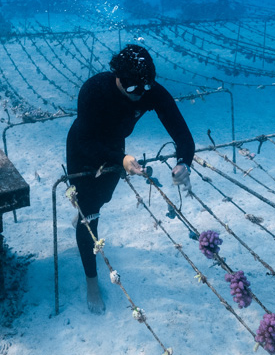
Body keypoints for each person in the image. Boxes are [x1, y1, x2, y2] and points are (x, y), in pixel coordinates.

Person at [65, 44, 195, 313]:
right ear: (120, 80)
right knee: (89, 213)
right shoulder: (94, 90)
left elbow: (182, 132)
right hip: (84, 148)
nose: (140, 97)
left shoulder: (147, 89)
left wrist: (184, 162)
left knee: (102, 199)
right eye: (134, 90)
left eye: (146, 89)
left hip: (116, 149)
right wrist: (120, 160)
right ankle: (92, 281)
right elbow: (86, 140)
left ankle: (85, 213)